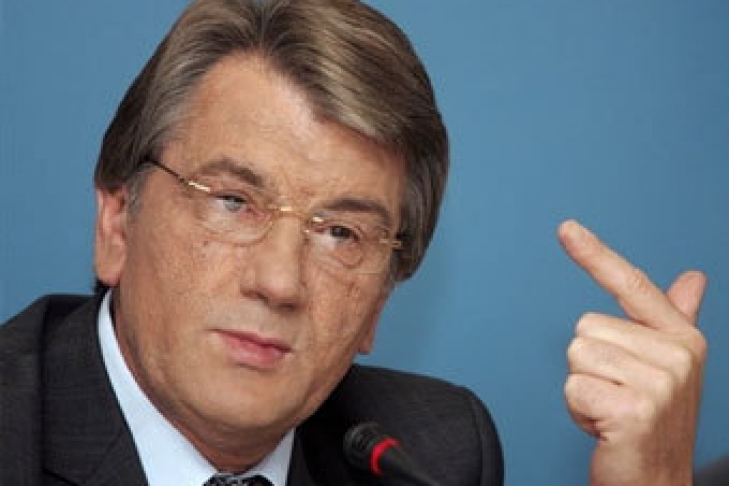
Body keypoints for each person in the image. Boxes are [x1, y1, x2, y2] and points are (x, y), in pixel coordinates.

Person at [0, 0, 708, 485]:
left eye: (340, 233)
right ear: (117, 222)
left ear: (379, 303)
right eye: (233, 201)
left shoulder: (431, 455)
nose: (279, 281)